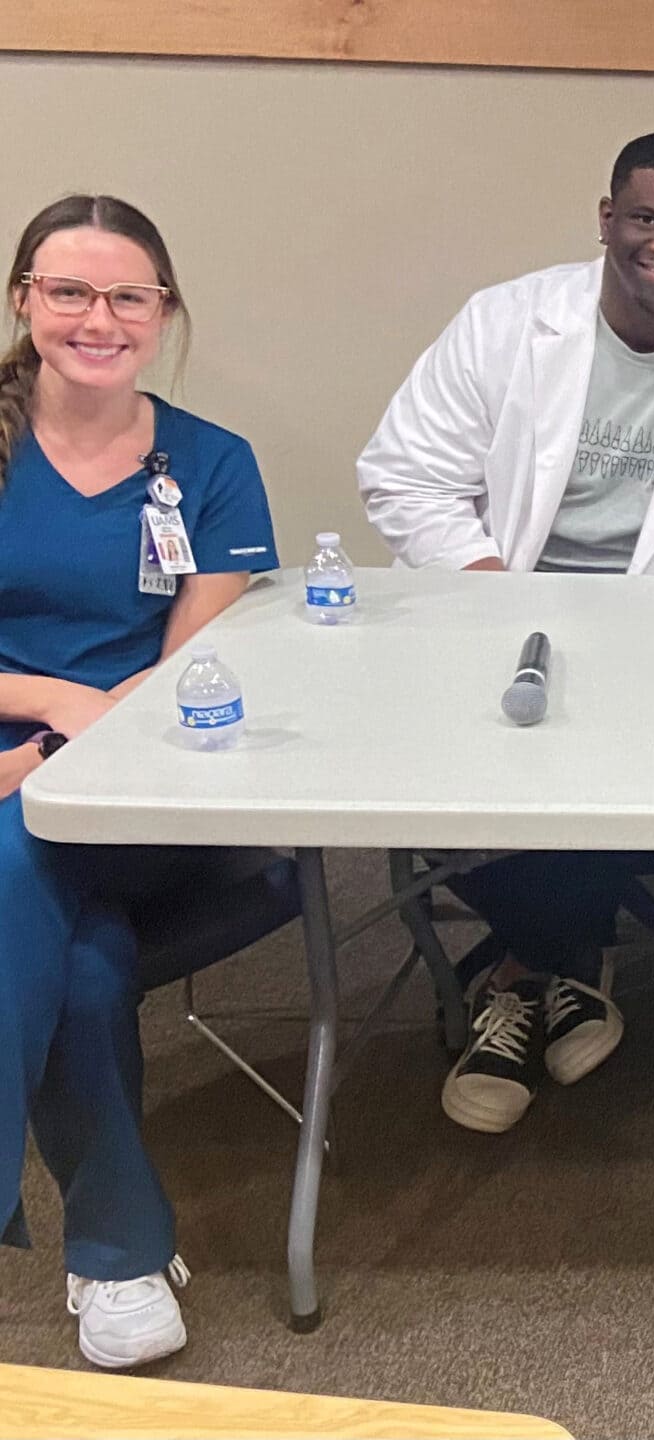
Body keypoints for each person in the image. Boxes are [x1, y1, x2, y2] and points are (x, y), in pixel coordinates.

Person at [357, 131, 654, 1135]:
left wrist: (629, 633)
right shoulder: (506, 325)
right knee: (483, 744)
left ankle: (529, 978)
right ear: (608, 219)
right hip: (493, 606)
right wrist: (502, 597)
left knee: (600, 742)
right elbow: (406, 474)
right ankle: (567, 971)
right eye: (648, 218)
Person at [0, 196, 278, 1366]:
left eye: (129, 296)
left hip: (146, 792)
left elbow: (186, 683)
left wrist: (54, 748)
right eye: (69, 291)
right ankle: (116, 1246)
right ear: (24, 302)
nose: (97, 318)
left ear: (163, 315)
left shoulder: (211, 466)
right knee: (85, 960)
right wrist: (38, 711)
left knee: (22, 847)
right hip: (19, 770)